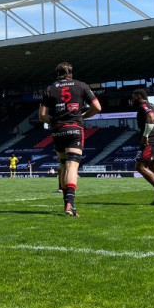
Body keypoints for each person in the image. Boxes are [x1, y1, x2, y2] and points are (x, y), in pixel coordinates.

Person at [39, 61, 102, 217]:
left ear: (57, 74)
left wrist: (53, 122)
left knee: (63, 166)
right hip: (75, 129)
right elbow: (97, 107)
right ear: (71, 72)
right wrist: (83, 116)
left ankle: (66, 204)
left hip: (58, 131)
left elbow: (42, 115)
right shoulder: (81, 86)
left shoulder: (50, 88)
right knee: (72, 167)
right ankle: (70, 205)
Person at [132, 88, 154, 205]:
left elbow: (151, 119)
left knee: (140, 167)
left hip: (150, 141)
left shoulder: (144, 107)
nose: (132, 99)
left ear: (139, 96)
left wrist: (146, 135)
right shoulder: (152, 105)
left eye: (134, 96)